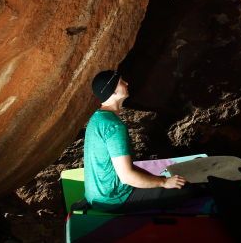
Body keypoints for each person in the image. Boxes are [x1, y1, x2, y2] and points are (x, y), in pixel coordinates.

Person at [84, 70, 196, 212]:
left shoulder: (97, 118)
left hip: (95, 196)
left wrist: (155, 179)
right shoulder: (114, 127)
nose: (127, 83)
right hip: (113, 200)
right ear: (113, 92)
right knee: (186, 189)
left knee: (160, 180)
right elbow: (127, 177)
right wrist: (164, 182)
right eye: (121, 82)